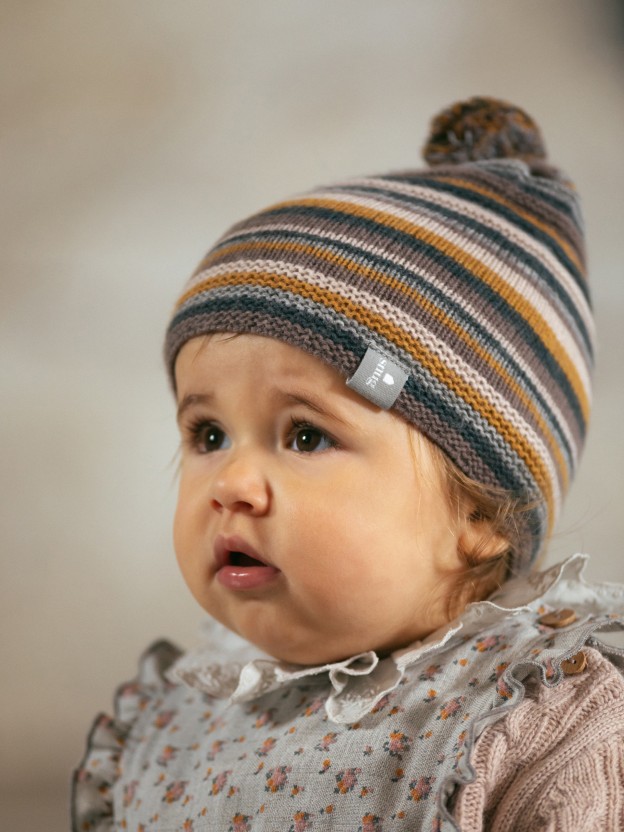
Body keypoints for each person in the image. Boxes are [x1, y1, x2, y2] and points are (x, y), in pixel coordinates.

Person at [72, 97, 624, 831]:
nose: (231, 484)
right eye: (208, 435)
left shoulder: (534, 727)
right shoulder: (169, 731)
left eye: (305, 437)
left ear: (481, 514)